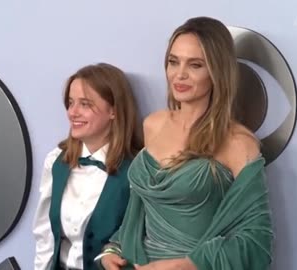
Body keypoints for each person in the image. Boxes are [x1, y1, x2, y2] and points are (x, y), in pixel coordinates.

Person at [99, 16, 273, 270]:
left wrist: (183, 265)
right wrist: (113, 248)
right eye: (173, 62)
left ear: (217, 71)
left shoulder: (238, 142)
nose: (179, 75)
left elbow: (257, 241)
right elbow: (140, 211)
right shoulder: (152, 125)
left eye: (195, 65)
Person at [33, 63, 144, 270]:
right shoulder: (56, 161)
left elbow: (139, 241)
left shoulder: (137, 170)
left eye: (85, 104)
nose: (72, 112)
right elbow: (45, 235)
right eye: (70, 102)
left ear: (113, 111)